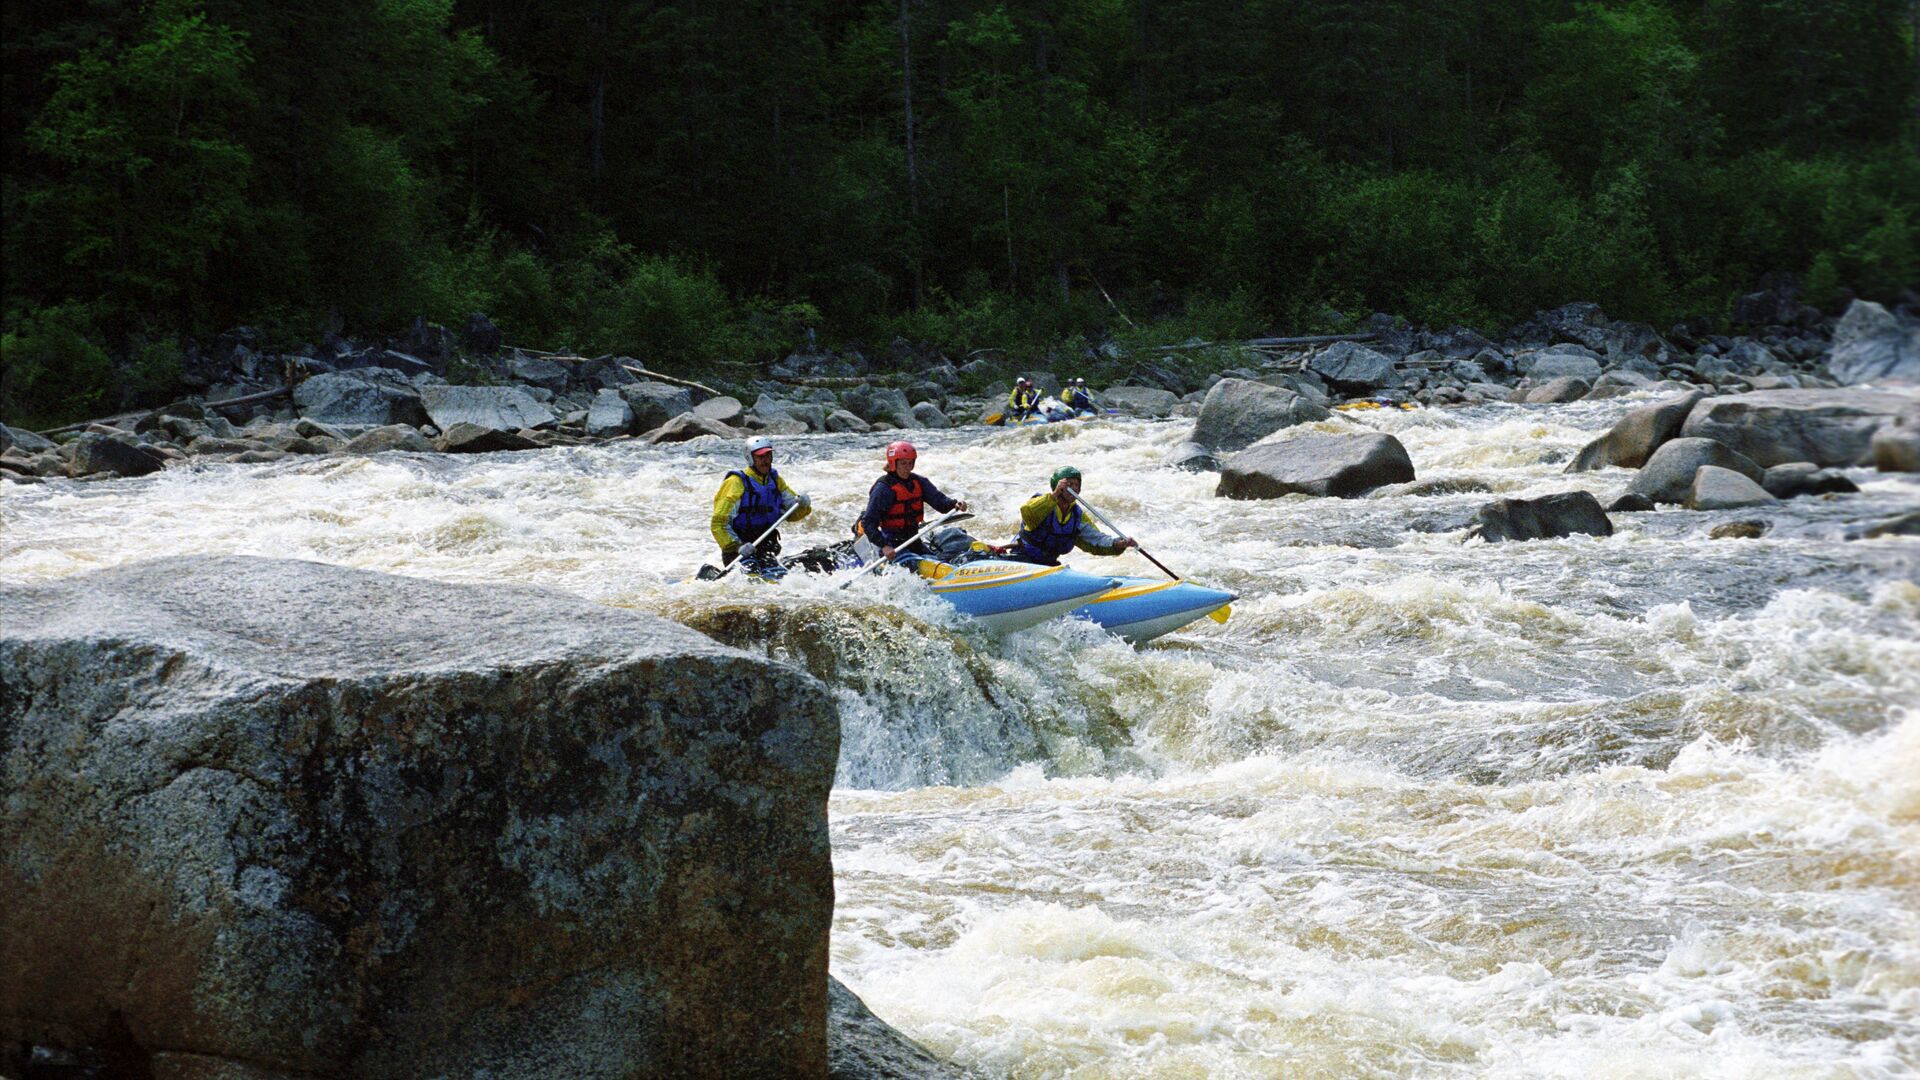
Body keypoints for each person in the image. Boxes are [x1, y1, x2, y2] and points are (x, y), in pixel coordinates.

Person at [711, 436, 810, 572]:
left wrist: (803, 505)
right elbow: (719, 524)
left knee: (779, 576)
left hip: (765, 547)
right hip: (739, 552)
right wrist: (736, 546)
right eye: (761, 456)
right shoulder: (735, 482)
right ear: (751, 458)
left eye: (768, 455)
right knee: (753, 579)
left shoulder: (775, 480)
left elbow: (791, 514)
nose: (766, 460)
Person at [859, 440, 968, 560]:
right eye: (903, 463)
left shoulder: (919, 482)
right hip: (891, 544)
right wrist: (884, 546)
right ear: (893, 464)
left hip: (913, 539)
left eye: (910, 463)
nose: (907, 468)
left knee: (936, 561)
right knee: (918, 565)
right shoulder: (883, 488)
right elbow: (868, 522)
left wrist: (954, 504)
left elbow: (940, 502)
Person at [1009, 466, 1137, 567]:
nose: (1074, 488)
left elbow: (1095, 541)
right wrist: (1054, 495)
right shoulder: (1042, 503)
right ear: (1058, 486)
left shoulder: (1076, 516)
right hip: (1022, 561)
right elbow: (1028, 512)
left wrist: (1118, 544)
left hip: (1047, 566)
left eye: (1077, 485)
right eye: (1069, 484)